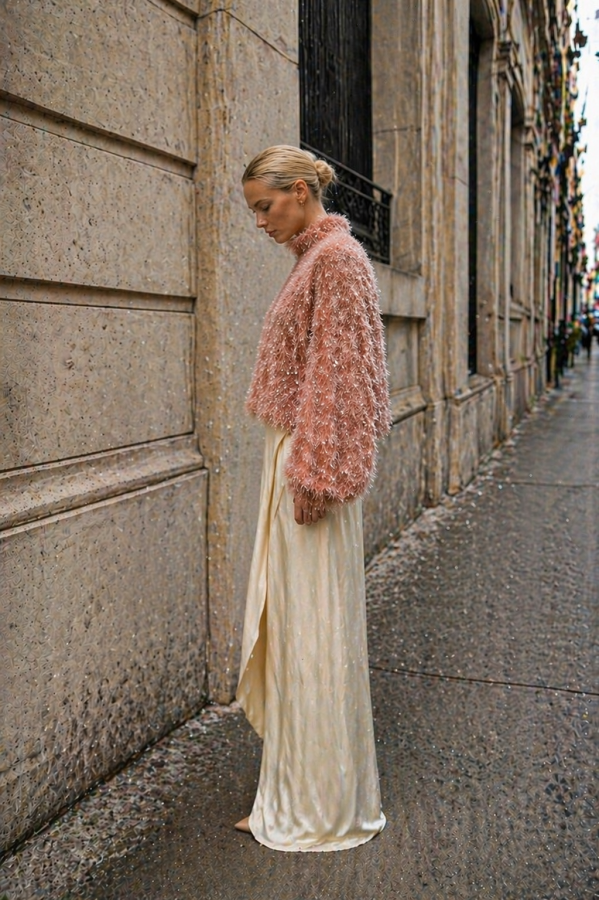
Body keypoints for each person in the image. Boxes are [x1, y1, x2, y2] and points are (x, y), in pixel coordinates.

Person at [235, 145, 390, 852]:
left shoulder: (334, 262)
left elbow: (344, 380)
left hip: (310, 465)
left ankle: (318, 804)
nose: (260, 222)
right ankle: (294, 791)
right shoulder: (317, 260)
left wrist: (317, 478)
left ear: (299, 192)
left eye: (265, 207)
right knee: (303, 634)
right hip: (300, 458)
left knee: (313, 635)